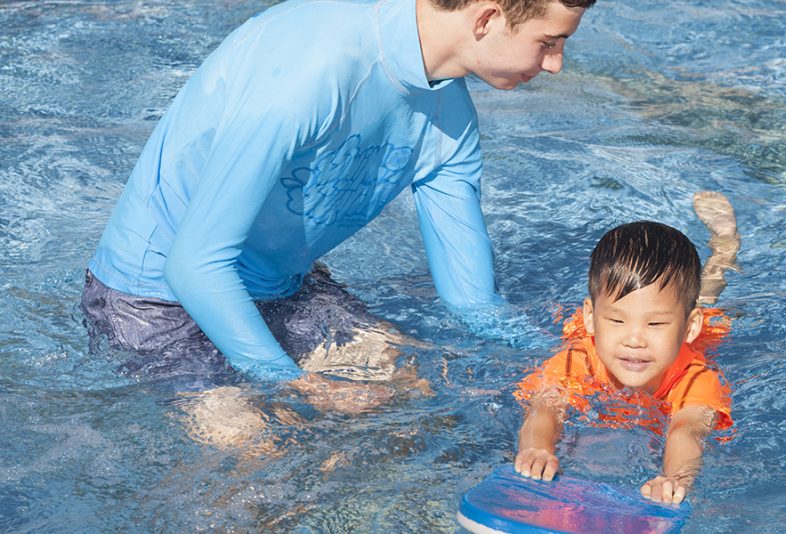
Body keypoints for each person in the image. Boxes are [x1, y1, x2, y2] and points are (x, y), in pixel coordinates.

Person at [81, 0, 596, 409]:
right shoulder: (310, 72)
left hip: (282, 288)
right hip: (153, 298)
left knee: (405, 387)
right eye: (548, 43)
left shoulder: (448, 115)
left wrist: (568, 358)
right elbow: (192, 265)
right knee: (250, 445)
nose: (555, 65)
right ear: (487, 18)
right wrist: (292, 386)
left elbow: (470, 299)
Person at [513, 192, 740, 504]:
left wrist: (675, 479)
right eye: (617, 321)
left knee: (708, 294)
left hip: (692, 336)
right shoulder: (578, 358)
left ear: (689, 327)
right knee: (670, 302)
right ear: (591, 318)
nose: (634, 339)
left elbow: (686, 431)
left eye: (655, 325)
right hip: (622, 325)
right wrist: (536, 448)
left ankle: (725, 246)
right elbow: (544, 409)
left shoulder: (695, 376)